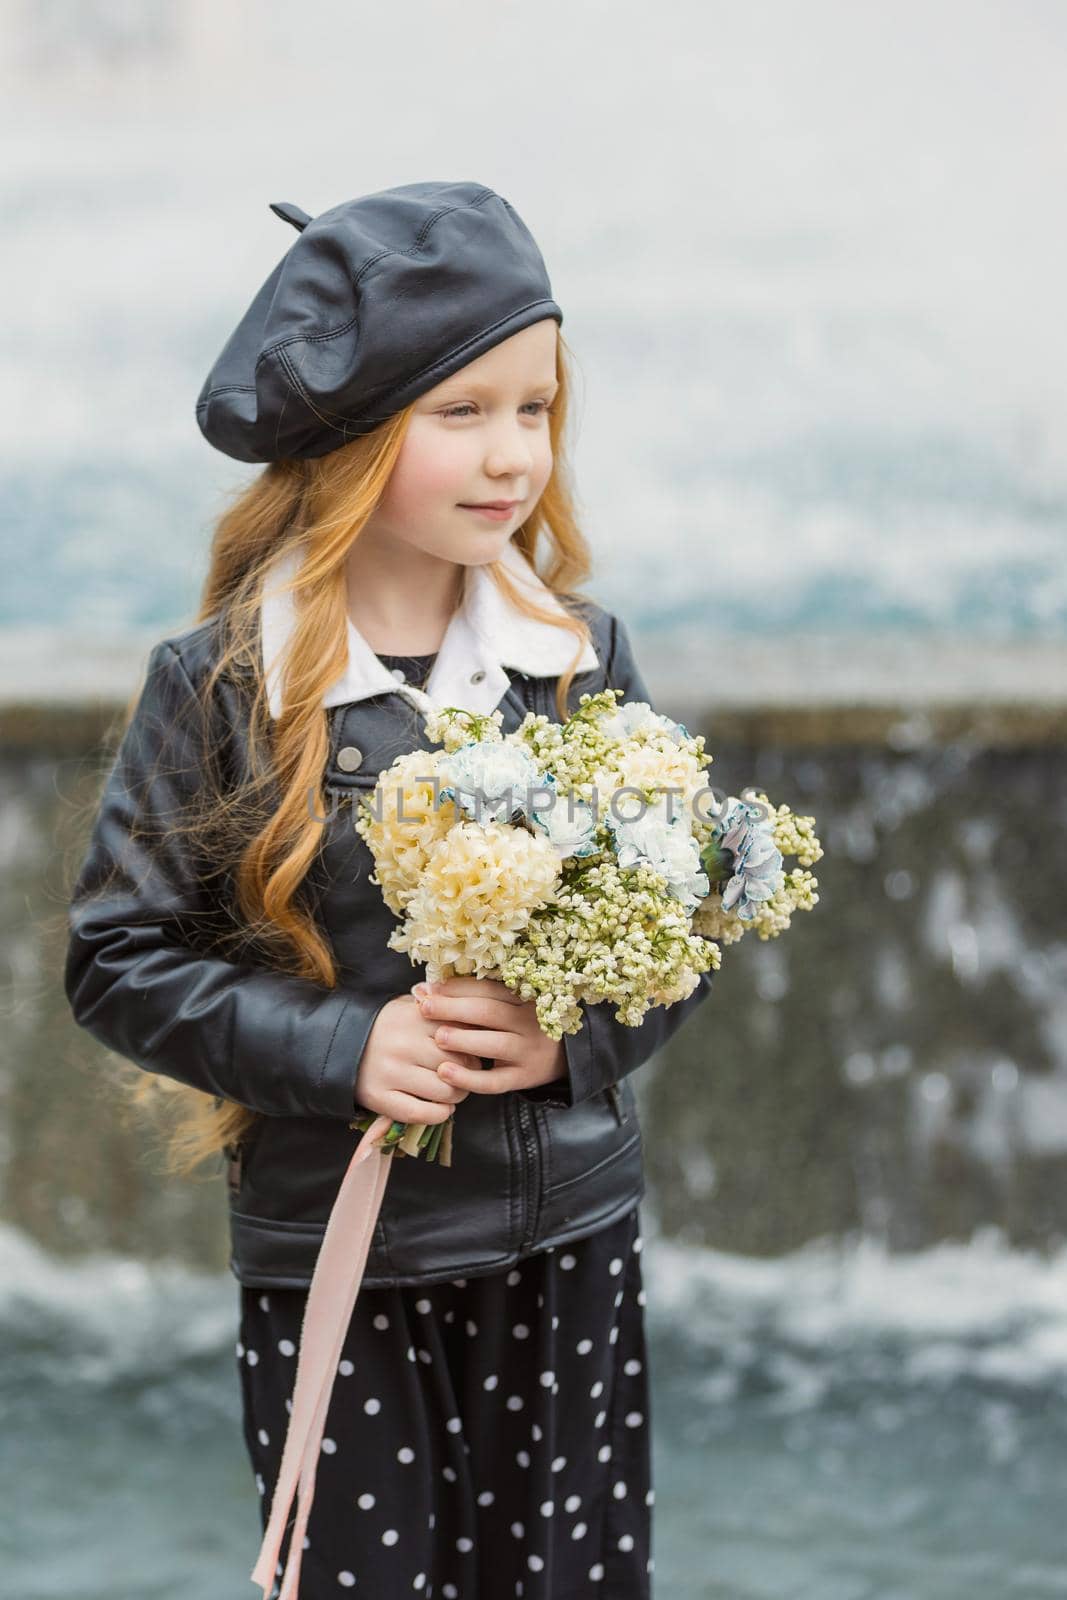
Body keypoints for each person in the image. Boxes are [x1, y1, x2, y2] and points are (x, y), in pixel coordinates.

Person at [63, 181, 715, 1600]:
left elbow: (685, 927)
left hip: (572, 1249)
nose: (513, 456)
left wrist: (577, 1034)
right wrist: (346, 1047)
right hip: (341, 1273)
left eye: (536, 410)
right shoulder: (224, 684)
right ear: (355, 435)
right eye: (463, 411)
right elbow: (115, 958)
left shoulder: (577, 656)